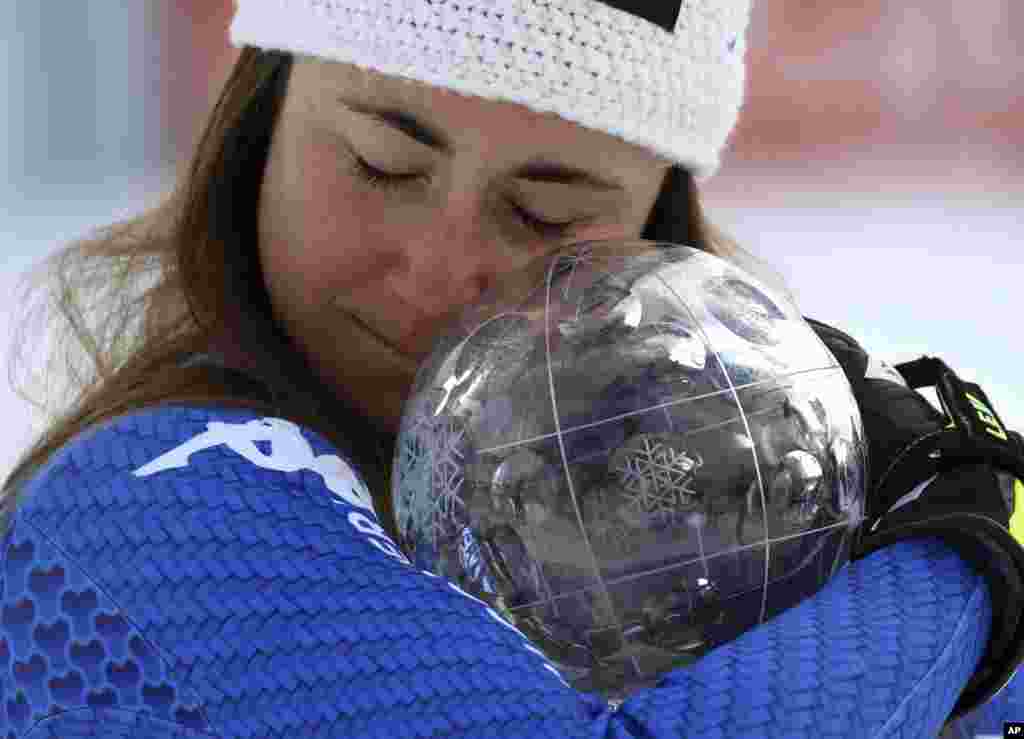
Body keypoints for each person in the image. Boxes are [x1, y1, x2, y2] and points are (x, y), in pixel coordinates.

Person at [1, 1, 1021, 736]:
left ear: (651, 227)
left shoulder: (631, 518)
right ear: (260, 119)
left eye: (545, 213)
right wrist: (960, 556)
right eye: (381, 164)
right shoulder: (164, 487)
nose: (440, 270)